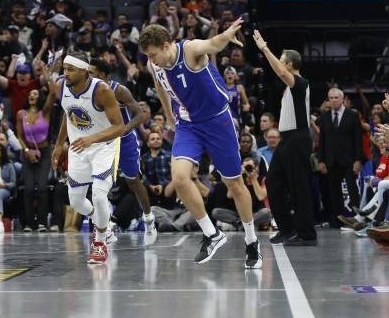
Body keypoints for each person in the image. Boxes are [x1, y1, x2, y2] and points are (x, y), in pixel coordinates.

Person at [139, 21, 262, 268]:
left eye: (153, 54)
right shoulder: (156, 64)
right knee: (180, 177)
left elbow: (213, 44)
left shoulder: (190, 49)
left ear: (166, 45)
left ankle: (251, 241)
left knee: (235, 184)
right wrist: (170, 118)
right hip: (188, 125)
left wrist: (226, 35)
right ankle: (212, 234)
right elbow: (161, 89)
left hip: (218, 121)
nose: (151, 60)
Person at [51, 52, 125, 264]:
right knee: (76, 201)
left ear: (84, 71)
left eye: (71, 69)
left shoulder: (101, 90)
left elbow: (119, 127)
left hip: (103, 147)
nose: (66, 73)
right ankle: (103, 223)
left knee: (100, 197)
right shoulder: (61, 86)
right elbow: (68, 114)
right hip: (78, 148)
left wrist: (91, 139)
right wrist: (58, 145)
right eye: (64, 68)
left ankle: (100, 241)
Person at [252, 30, 317, 246]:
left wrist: (264, 48)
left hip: (298, 139)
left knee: (299, 187)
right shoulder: (290, 88)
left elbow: (280, 72)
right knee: (273, 182)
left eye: (282, 61)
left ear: (289, 65)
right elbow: (280, 72)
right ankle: (288, 228)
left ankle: (307, 234)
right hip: (286, 139)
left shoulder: (300, 83)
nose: (279, 64)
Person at [89, 57, 157, 244]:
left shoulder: (119, 90)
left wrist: (125, 129)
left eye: (91, 73)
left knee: (133, 181)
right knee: (100, 183)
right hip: (103, 141)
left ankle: (149, 218)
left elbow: (140, 114)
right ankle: (105, 226)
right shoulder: (88, 91)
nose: (87, 76)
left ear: (102, 74)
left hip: (125, 140)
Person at [317, 87, 364, 228]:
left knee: (352, 190)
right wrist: (321, 160)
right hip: (331, 159)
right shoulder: (324, 117)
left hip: (349, 159)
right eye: (330, 98)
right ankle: (337, 219)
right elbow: (322, 140)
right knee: (333, 191)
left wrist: (358, 159)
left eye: (336, 97)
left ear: (342, 99)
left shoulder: (352, 115)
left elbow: (358, 139)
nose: (333, 100)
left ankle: (357, 219)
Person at [16, 88, 55, 232]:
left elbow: (53, 94)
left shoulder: (45, 112)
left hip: (44, 153)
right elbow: (19, 136)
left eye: (35, 94)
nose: (32, 95)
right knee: (29, 189)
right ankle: (29, 223)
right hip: (27, 153)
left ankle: (42, 223)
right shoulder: (21, 114)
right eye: (30, 94)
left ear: (40, 98)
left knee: (43, 187)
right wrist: (26, 151)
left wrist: (49, 75)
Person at [212, 157, 271, 229]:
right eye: (245, 167)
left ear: (256, 167)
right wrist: (239, 177)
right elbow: (230, 195)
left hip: (256, 213)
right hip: (239, 212)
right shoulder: (240, 179)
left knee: (266, 212)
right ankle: (242, 224)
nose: (247, 169)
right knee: (216, 212)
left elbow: (260, 196)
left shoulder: (264, 179)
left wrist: (254, 180)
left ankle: (242, 225)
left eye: (249, 167)